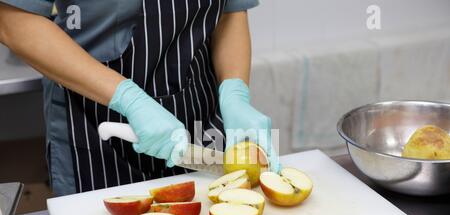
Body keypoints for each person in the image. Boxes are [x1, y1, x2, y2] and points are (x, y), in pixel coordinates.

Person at [0, 0, 280, 196]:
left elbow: (231, 11)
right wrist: (129, 99)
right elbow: (13, 20)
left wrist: (235, 93)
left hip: (199, 118)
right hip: (98, 128)